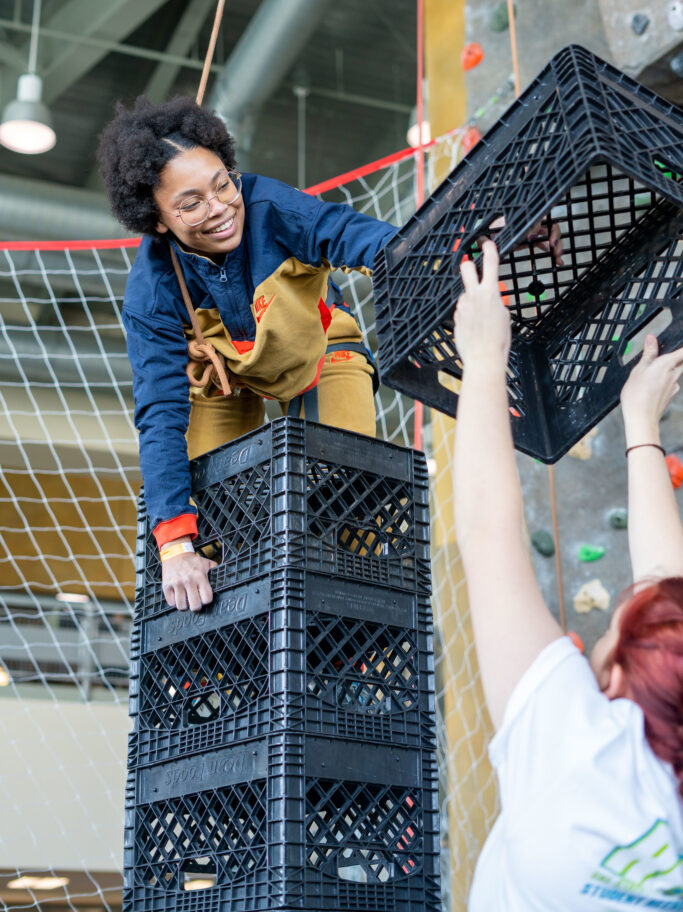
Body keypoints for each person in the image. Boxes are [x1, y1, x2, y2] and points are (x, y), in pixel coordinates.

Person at [97, 95, 404, 612]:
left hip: (319, 351)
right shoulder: (152, 293)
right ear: (157, 222)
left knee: (341, 493)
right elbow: (161, 415)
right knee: (210, 527)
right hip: (226, 380)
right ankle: (246, 648)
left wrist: (461, 247)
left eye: (222, 184)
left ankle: (351, 640)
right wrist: (175, 547)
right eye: (190, 203)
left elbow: (357, 236)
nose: (218, 208)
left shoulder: (271, 208)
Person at [452, 240, 683, 911]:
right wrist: (640, 426)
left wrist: (485, 353)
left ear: (619, 679)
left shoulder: (576, 758)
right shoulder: (579, 753)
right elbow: (665, 592)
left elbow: (487, 532)